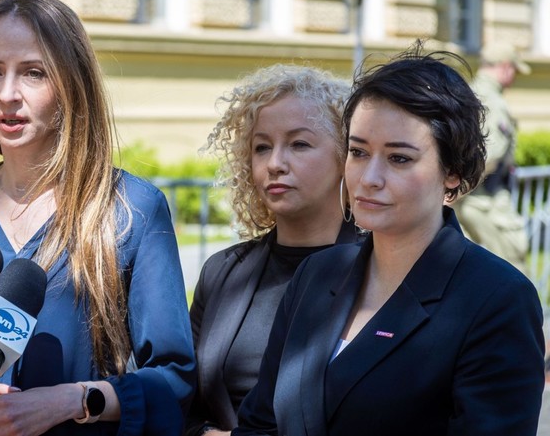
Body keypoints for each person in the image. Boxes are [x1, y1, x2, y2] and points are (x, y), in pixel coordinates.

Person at [0, 0, 195, 436]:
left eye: (33, 72)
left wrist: (72, 401)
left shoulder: (131, 208)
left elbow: (173, 380)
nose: (7, 95)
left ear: (71, 83)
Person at [232, 45, 545, 436]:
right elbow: (260, 423)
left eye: (399, 158)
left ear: (452, 171)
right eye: (358, 152)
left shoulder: (496, 299)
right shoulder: (316, 274)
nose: (369, 178)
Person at [186, 64, 363, 436]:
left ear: (344, 156)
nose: (275, 164)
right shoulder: (223, 272)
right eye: (262, 147)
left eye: (299, 144)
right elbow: (184, 397)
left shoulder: (381, 269)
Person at [453, 42, 531, 273]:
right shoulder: (493, 101)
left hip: (465, 198)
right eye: (515, 71)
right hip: (484, 200)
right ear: (506, 67)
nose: (514, 78)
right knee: (515, 266)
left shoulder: (467, 92)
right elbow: (490, 156)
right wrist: (456, 192)